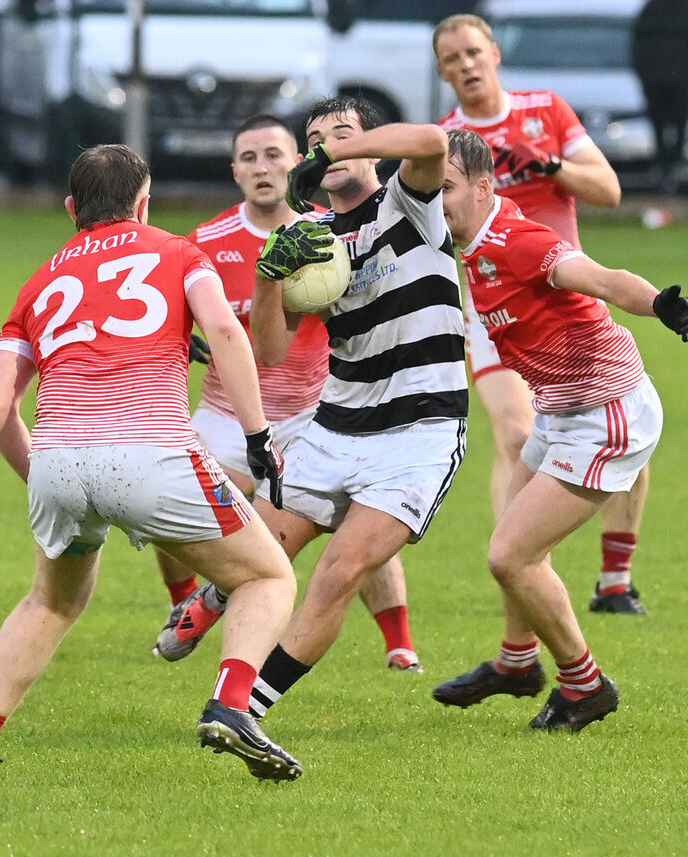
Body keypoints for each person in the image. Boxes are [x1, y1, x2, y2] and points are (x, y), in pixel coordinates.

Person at [0, 144, 303, 782]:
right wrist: (256, 435)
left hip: (57, 458)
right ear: (144, 202)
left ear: (71, 209)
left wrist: (43, 476)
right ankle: (231, 705)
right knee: (267, 578)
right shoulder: (180, 252)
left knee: (48, 605)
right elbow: (224, 332)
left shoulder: (40, 281)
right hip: (152, 453)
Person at [433, 128, 688, 726]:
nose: (433, 201)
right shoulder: (461, 235)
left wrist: (659, 304)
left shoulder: (516, 240)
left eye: (444, 188)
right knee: (517, 539)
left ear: (482, 185)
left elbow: (601, 278)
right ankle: (517, 661)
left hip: (607, 417)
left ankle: (585, 686)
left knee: (511, 555)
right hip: (560, 407)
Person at [152, 113, 423, 673]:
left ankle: (399, 644)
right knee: (166, 507)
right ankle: (188, 604)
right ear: (235, 172)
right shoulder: (205, 241)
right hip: (229, 413)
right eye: (249, 158)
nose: (263, 167)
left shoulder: (333, 231)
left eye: (274, 154)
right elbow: (169, 322)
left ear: (297, 162)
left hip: (314, 409)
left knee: (361, 522)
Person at [241, 97, 467, 721]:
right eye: (312, 138)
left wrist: (331, 152)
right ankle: (209, 603)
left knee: (340, 571)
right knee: (253, 560)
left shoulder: (408, 201)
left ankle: (245, 708)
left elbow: (429, 140)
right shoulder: (309, 237)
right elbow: (269, 350)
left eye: (341, 134)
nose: (325, 146)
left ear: (368, 146)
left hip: (419, 429)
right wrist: (267, 277)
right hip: (334, 429)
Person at [434, 13, 651, 617]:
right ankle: (525, 572)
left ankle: (615, 578)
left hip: (566, 292)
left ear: (495, 54)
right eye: (453, 59)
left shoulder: (546, 109)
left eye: (474, 51)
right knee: (515, 434)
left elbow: (608, 191)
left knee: (625, 425)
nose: (466, 65)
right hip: (493, 307)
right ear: (441, 71)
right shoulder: (441, 144)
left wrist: (550, 165)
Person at [631, 0, 688, 192]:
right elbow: (638, 44)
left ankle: (674, 166)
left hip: (681, 81)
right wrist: (645, 75)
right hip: (656, 81)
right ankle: (662, 167)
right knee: (658, 124)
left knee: (680, 123)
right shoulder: (652, 8)